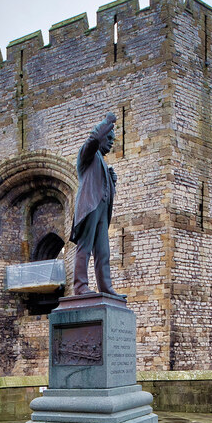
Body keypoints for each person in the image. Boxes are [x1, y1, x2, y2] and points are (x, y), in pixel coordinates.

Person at [70, 112, 123, 297]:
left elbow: (104, 188)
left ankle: (106, 288)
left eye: (113, 139)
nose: (111, 142)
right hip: (89, 207)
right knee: (84, 248)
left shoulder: (102, 162)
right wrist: (107, 123)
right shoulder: (88, 154)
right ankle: (80, 286)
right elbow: (94, 139)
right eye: (108, 138)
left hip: (101, 209)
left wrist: (112, 181)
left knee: (103, 251)